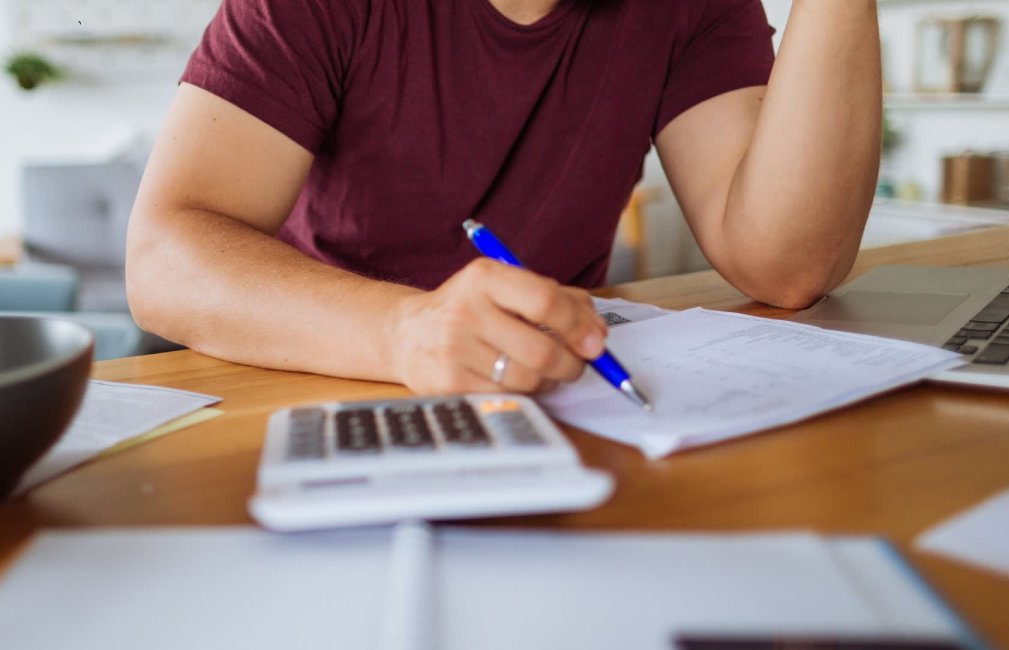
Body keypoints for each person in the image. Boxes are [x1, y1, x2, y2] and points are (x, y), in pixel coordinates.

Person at [126, 0, 881, 396]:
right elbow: (164, 258)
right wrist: (405, 331)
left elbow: (789, 265)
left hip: (551, 389)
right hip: (322, 382)